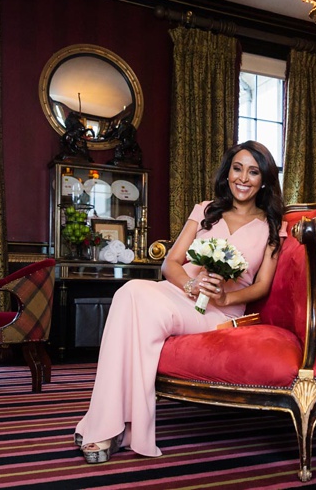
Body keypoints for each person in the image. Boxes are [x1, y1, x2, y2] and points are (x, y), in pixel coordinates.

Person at [73, 140, 286, 464]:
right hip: (179, 292)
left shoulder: (273, 226)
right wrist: (189, 282)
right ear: (227, 173)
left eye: (253, 171)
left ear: (265, 179)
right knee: (129, 292)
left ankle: (107, 426)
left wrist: (226, 295)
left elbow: (262, 286)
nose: (243, 178)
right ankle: (109, 425)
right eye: (237, 168)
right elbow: (169, 263)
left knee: (135, 299)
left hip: (219, 311)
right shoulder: (205, 210)